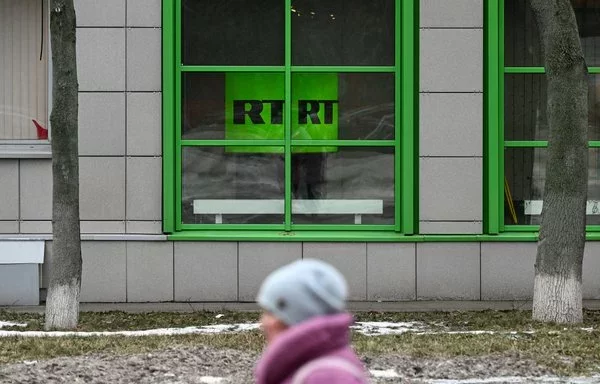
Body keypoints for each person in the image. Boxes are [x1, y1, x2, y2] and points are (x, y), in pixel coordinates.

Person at [254, 259, 369, 384]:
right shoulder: (310, 367)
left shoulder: (327, 377)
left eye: (272, 312)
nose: (264, 322)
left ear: (297, 314)